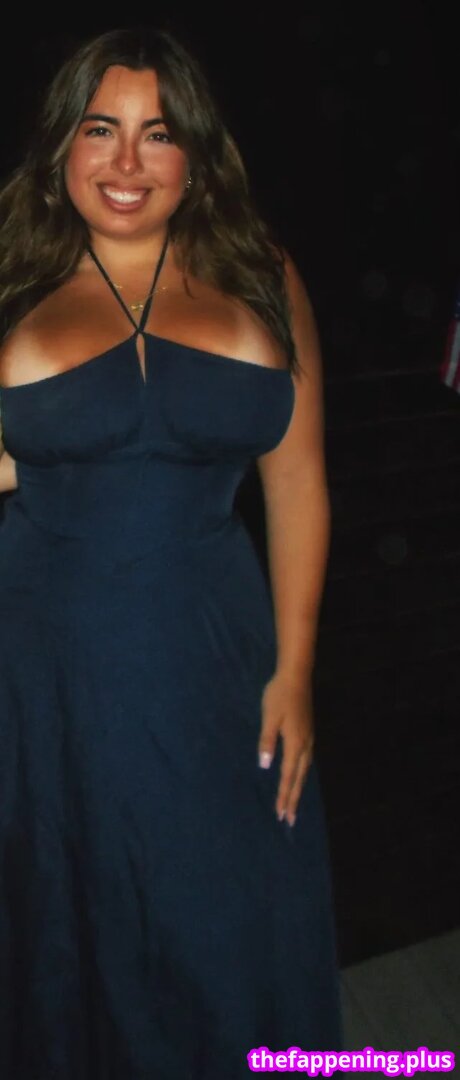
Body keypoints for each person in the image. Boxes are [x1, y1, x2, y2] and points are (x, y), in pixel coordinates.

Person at [0, 25, 343, 1080]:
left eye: (158, 133)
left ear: (197, 152)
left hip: (219, 648)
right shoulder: (12, 278)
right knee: (79, 908)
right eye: (100, 129)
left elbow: (296, 481)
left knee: (228, 909)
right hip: (50, 659)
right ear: (62, 145)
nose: (127, 162)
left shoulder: (260, 272)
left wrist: (294, 671)